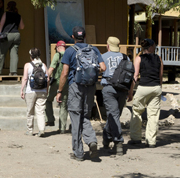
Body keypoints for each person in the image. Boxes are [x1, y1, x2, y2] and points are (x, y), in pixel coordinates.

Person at [56, 26, 106, 161]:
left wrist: (59, 90)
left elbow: (64, 73)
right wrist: (90, 73)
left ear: (72, 37)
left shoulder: (70, 51)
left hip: (75, 87)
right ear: (84, 36)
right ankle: (91, 140)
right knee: (85, 115)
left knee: (76, 117)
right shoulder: (93, 49)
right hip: (90, 87)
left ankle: (78, 153)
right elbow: (103, 67)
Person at [101, 37, 135, 156]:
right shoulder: (125, 57)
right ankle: (106, 138)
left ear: (108, 45)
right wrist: (130, 92)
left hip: (109, 88)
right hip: (123, 89)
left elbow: (98, 70)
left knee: (113, 114)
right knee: (115, 114)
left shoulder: (103, 56)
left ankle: (118, 142)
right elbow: (131, 77)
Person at [129, 38, 163, 148]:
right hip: (156, 87)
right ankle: (151, 141)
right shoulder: (159, 58)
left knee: (137, 111)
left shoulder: (139, 58)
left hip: (143, 87)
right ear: (151, 47)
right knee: (153, 115)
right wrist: (159, 88)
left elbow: (135, 75)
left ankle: (136, 138)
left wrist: (131, 91)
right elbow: (160, 76)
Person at [21, 48, 49, 136]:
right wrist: (47, 90)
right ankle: (41, 129)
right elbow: (47, 79)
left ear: (31, 56)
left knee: (30, 111)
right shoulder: (43, 65)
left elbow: (25, 78)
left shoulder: (27, 65)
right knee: (40, 111)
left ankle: (30, 130)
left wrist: (22, 89)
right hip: (42, 90)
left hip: (31, 91)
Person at [0, 1, 24, 76]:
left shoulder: (6, 14)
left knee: (2, 52)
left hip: (7, 35)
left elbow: (1, 24)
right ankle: (13, 72)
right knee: (14, 54)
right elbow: (22, 27)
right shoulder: (18, 16)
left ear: (8, 7)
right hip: (16, 35)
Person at [45, 40, 69, 133]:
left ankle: (50, 119)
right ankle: (62, 128)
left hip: (56, 82)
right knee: (63, 105)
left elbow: (51, 68)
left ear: (57, 48)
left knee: (48, 99)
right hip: (66, 83)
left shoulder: (57, 55)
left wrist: (47, 78)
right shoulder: (69, 55)